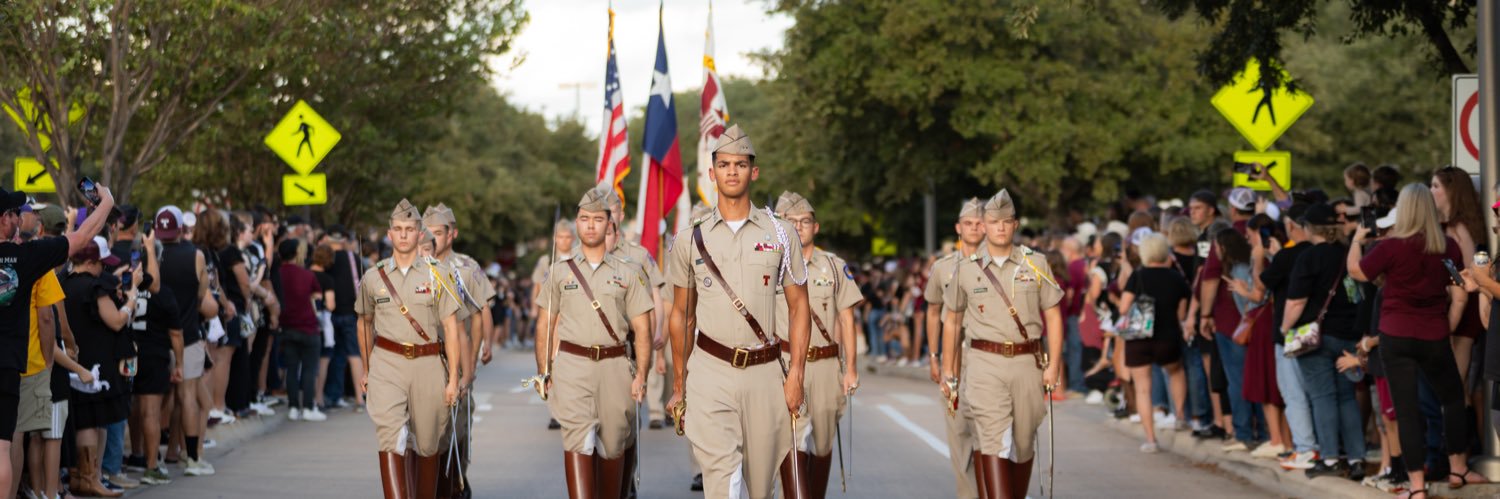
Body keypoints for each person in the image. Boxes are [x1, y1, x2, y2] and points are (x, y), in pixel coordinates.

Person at [665, 124, 811, 499]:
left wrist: (795, 374)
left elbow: (799, 308)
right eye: (725, 164)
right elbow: (682, 315)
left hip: (765, 373)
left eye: (741, 164)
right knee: (723, 474)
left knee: (760, 486)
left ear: (754, 172)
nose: (732, 171)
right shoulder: (689, 239)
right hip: (710, 373)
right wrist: (680, 385)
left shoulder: (781, 233)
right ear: (711, 173)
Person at [1349, 184, 1486, 499]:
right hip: (1435, 335)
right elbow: (1458, 286)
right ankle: (1458, 467)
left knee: (1407, 410)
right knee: (1452, 398)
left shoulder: (1390, 247)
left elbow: (1356, 273)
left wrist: (1357, 241)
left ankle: (1416, 488)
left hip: (1395, 336)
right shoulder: (1448, 246)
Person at [940, 189, 1064, 498]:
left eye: (1006, 222)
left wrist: (1055, 367)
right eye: (994, 222)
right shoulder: (967, 268)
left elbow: (1054, 315)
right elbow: (953, 321)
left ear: (1015, 225)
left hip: (1027, 362)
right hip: (984, 361)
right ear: (984, 224)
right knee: (993, 437)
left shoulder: (1035, 263)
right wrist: (948, 370)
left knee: (1023, 442)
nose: (1000, 228)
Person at [533, 185, 653, 499]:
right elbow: (545, 324)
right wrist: (544, 370)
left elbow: (642, 328)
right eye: (584, 219)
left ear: (609, 224)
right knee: (577, 440)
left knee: (614, 444)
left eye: (597, 219)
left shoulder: (628, 272)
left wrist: (641, 374)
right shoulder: (560, 271)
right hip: (572, 365)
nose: (589, 225)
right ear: (577, 222)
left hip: (615, 366)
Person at [0, 185, 112, 497]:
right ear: (3, 219)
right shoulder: (27, 257)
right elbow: (82, 238)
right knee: (3, 447)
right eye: (12, 214)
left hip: (12, 364)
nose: (18, 220)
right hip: (8, 364)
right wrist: (107, 203)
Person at [356, 199, 463, 499]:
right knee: (390, 437)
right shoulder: (373, 276)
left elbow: (451, 328)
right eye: (398, 229)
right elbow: (364, 323)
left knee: (428, 444)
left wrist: (453, 378)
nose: (403, 235)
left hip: (428, 363)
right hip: (387, 363)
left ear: (419, 234)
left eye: (410, 229)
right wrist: (367, 367)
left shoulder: (438, 273)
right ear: (389, 234)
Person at [770, 191, 862, 499]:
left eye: (805, 221)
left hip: (824, 366)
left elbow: (847, 319)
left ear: (816, 227)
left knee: (822, 443)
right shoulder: (768, 265)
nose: (798, 227)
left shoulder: (833, 266)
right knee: (791, 439)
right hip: (783, 363)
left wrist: (850, 369)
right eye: (790, 221)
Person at [423, 202, 496, 499]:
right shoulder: (412, 266)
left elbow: (481, 312)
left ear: (451, 234)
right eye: (426, 233)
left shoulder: (466, 268)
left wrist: (475, 360)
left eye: (437, 233)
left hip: (457, 355)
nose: (431, 239)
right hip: (425, 357)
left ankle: (456, 479)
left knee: (458, 428)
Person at [63, 237, 136, 498]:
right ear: (91, 261)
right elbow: (116, 322)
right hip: (95, 365)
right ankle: (90, 479)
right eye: (101, 264)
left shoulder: (64, 282)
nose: (103, 269)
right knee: (91, 423)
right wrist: (131, 300)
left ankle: (81, 477)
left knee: (83, 420)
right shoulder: (95, 288)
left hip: (73, 361)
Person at [924, 198, 985, 499]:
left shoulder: (997, 265)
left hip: (987, 356)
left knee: (990, 437)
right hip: (956, 358)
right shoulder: (943, 268)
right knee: (960, 436)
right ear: (958, 228)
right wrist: (934, 357)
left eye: (979, 223)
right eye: (969, 223)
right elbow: (933, 312)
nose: (974, 228)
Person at [1253, 204, 1321, 471]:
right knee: (1319, 393)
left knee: (1294, 394)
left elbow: (1261, 284)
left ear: (1293, 226)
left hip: (1291, 333)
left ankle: (1305, 448)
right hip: (1322, 330)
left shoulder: (1288, 256)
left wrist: (1260, 255)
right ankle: (1321, 447)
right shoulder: (1327, 253)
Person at [155, 205, 217, 477]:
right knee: (187, 396)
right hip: (189, 334)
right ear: (180, 228)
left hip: (157, 337)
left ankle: (152, 457)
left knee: (152, 401)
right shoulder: (196, 255)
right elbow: (202, 294)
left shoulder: (152, 256)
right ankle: (191, 457)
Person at [1116, 233, 1190, 453]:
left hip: (1139, 338)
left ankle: (1151, 439)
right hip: (1167, 337)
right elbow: (1182, 313)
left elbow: (1122, 309)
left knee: (1143, 389)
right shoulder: (1176, 278)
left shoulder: (1138, 276)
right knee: (1176, 372)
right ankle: (1179, 416)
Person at [1226, 216, 1291, 461]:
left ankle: (1276, 439)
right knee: (1275, 384)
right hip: (1273, 320)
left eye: (1250, 233)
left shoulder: (1264, 255)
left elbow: (1259, 292)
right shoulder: (1281, 251)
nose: (1247, 237)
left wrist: (1244, 289)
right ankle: (1283, 439)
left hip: (1266, 322)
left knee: (1267, 382)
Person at [124, 231, 182, 486]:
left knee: (133, 408)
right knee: (150, 412)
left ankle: (136, 454)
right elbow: (176, 334)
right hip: (154, 354)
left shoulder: (127, 284)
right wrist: (179, 363)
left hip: (128, 351)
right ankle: (151, 465)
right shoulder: (163, 293)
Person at [1429, 166, 1485, 401]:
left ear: (1451, 191)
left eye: (1435, 186)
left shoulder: (1458, 228)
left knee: (1455, 383)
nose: (1430, 191)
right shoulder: (1449, 226)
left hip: (1462, 306)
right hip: (1450, 304)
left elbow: (1466, 271)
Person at [533, 220, 576, 430]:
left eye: (568, 237)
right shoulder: (547, 260)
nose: (564, 241)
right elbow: (539, 285)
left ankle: (568, 409)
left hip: (570, 317)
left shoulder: (578, 257)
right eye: (560, 237)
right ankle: (555, 412)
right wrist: (536, 309)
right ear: (554, 239)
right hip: (552, 315)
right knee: (551, 362)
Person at [278, 238, 327, 422]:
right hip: (308, 327)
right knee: (309, 369)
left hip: (287, 327)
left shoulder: (277, 274)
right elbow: (318, 294)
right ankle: (307, 406)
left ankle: (292, 407)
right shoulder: (306, 275)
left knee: (291, 369)